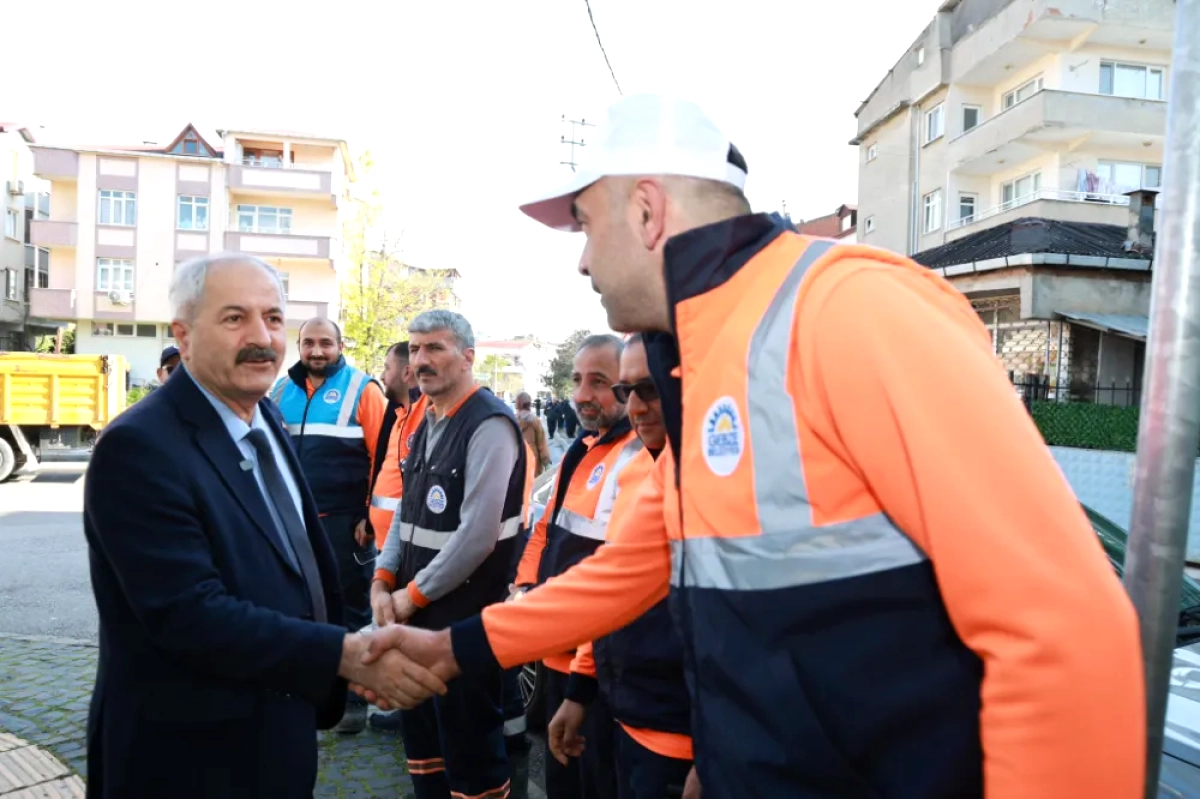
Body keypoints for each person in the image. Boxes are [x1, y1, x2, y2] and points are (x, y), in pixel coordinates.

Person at [354, 94, 1145, 799]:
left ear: (647, 210)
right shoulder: (700, 357)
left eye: (587, 226)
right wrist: (457, 646)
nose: (584, 259)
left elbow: (1060, 630)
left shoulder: (850, 308)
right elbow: (637, 564)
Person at [82, 252, 448, 799]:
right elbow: (190, 616)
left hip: (277, 729)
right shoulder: (139, 447)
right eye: (235, 318)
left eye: (273, 319)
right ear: (183, 335)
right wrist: (344, 657)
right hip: (189, 759)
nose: (262, 338)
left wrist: (346, 648)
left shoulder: (264, 414)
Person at [372, 310, 527, 799]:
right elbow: (406, 512)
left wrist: (408, 597)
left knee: (472, 762)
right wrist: (381, 579)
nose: (420, 360)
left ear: (467, 357)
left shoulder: (489, 425)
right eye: (415, 349)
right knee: (425, 755)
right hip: (416, 621)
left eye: (434, 348)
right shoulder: (427, 422)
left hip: (464, 627)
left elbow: (477, 536)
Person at [548, 334, 693, 799]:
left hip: (677, 734)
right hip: (618, 709)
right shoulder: (634, 472)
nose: (637, 407)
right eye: (628, 391)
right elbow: (609, 591)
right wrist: (580, 688)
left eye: (650, 389)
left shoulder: (718, 482)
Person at [511, 334, 639, 799]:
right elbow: (544, 529)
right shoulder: (580, 451)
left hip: (597, 669)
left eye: (599, 382)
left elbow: (619, 577)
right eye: (578, 380)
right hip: (555, 652)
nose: (582, 394)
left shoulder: (638, 459)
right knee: (562, 779)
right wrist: (525, 586)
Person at [270, 316, 388, 733]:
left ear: (340, 345)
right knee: (298, 604)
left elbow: (384, 456)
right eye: (308, 343)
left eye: (325, 343)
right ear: (298, 346)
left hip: (344, 522)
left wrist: (368, 516)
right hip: (292, 522)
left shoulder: (363, 389)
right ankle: (311, 691)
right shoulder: (281, 390)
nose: (316, 351)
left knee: (350, 608)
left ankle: (354, 702)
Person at [515, 391, 552, 474]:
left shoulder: (512, 420)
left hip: (517, 460)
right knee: (534, 484)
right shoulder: (534, 420)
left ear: (517, 404)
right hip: (533, 460)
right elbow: (541, 443)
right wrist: (547, 462)